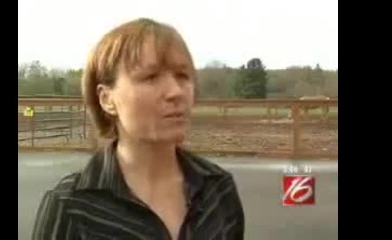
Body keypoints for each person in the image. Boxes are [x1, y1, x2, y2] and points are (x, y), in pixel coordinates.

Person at [31, 18, 245, 240]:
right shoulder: (70, 206)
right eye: (150, 77)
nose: (176, 92)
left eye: (182, 75)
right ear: (106, 99)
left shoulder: (218, 190)